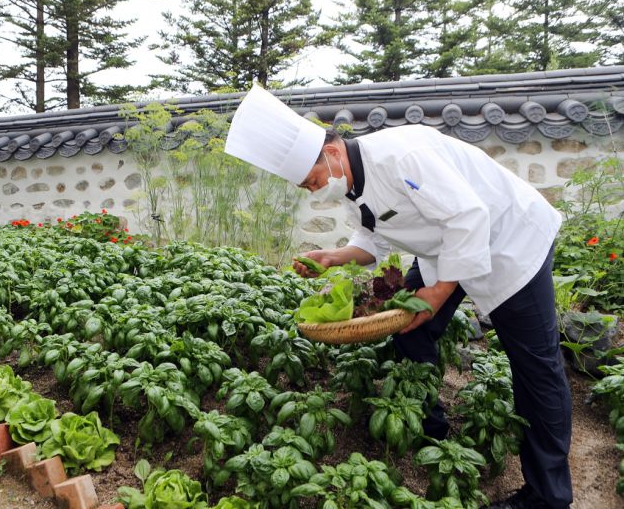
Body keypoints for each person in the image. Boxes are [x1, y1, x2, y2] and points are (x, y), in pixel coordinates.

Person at [224, 84, 573, 509]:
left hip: (510, 240)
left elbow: (468, 216)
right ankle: (432, 434)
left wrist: (438, 293)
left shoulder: (401, 155)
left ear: (331, 154)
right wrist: (332, 256)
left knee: (535, 367)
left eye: (312, 182)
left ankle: (547, 495)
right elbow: (371, 237)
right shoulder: (350, 183)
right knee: (409, 330)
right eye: (306, 187)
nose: (314, 191)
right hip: (444, 250)